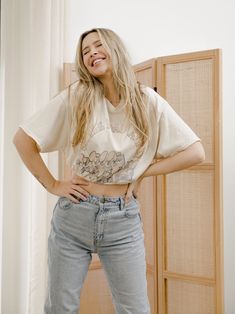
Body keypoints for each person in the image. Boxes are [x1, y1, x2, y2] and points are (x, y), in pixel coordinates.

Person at [13, 28, 205, 314]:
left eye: (98, 45)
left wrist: (142, 173)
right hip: (74, 217)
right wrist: (53, 185)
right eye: (85, 51)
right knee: (60, 308)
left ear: (115, 49)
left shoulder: (147, 101)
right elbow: (23, 139)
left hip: (123, 219)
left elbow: (195, 152)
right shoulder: (76, 97)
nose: (92, 52)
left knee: (134, 309)